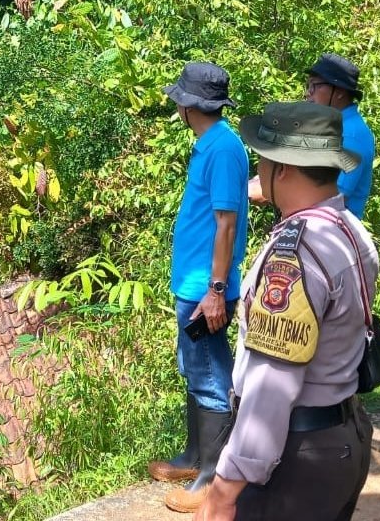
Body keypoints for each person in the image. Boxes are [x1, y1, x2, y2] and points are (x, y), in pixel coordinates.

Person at [197, 101, 379, 521]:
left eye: (262, 159)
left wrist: (224, 490)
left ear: (283, 169)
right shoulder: (351, 231)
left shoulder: (293, 256)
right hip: (344, 438)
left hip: (296, 461)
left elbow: (271, 385)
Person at [149, 62, 250, 514]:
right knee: (194, 370)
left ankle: (213, 478)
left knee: (211, 378)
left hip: (205, 287)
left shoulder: (224, 149)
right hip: (192, 283)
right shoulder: (209, 144)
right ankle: (194, 458)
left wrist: (215, 288)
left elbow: (226, 222)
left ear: (190, 105)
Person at [249, 54, 374, 218]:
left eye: (315, 86)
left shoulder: (350, 134)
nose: (308, 93)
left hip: (324, 232)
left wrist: (263, 189)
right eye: (308, 86)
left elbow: (327, 197)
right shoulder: (334, 127)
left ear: (339, 92)